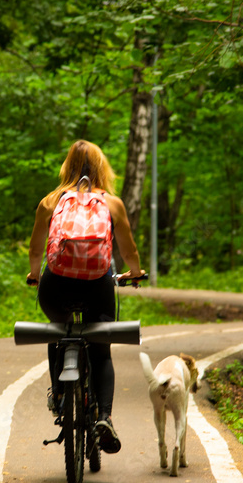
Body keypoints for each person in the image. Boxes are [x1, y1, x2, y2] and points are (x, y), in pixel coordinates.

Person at [26, 140, 146, 454]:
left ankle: (61, 395)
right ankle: (104, 417)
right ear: (102, 168)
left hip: (57, 286)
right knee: (101, 350)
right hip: (97, 285)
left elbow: (37, 249)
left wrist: (35, 275)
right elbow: (128, 250)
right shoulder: (113, 204)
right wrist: (135, 272)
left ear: (66, 166)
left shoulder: (50, 202)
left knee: (59, 329)